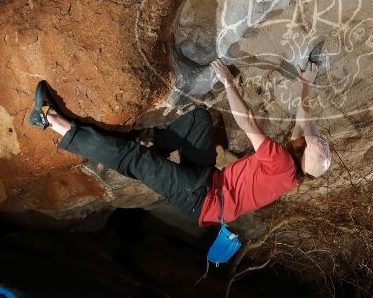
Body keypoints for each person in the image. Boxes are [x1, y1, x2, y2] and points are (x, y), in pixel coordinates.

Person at [29, 58, 331, 225]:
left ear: (302, 150)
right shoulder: (296, 167)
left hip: (198, 200)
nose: (310, 137)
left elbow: (248, 121)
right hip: (210, 181)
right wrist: (306, 85)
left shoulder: (281, 162)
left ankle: (51, 120)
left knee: (136, 160)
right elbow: (305, 121)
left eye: (312, 143)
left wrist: (228, 83)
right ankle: (152, 141)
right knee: (199, 120)